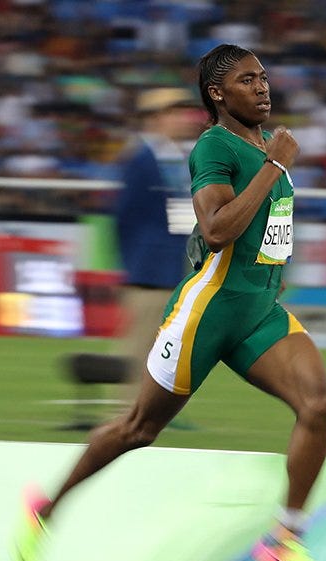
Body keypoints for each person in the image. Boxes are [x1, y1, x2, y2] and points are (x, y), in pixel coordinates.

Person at [11, 44, 326, 561]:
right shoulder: (215, 147)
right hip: (207, 313)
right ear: (218, 93)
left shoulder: (263, 145)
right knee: (139, 429)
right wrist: (275, 166)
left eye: (264, 78)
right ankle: (44, 510)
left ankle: (285, 541)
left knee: (321, 404)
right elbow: (215, 230)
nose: (262, 87)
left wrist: (273, 196)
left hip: (258, 311)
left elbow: (269, 230)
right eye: (247, 80)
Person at [112, 87, 203, 408]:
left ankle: (153, 410)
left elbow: (178, 216)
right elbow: (125, 217)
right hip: (148, 271)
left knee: (165, 345)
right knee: (140, 345)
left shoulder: (172, 158)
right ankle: (125, 412)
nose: (186, 119)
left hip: (169, 268)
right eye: (177, 113)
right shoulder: (140, 159)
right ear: (156, 119)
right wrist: (134, 264)